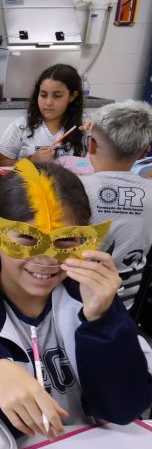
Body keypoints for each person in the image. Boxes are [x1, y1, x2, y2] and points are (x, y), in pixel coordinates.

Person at [0, 160, 152, 440]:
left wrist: (102, 322)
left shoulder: (91, 297)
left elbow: (124, 409)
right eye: (27, 238)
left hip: (94, 448)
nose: (47, 259)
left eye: (65, 241)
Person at [79, 100, 152, 308]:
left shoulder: (75, 190)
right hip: (128, 306)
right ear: (144, 153)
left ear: (91, 145)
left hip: (76, 300)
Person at [0, 64, 85, 166]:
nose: (48, 102)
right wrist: (31, 161)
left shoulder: (84, 127)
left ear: (72, 96)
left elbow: (97, 166)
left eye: (57, 96)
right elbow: (1, 162)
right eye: (43, 95)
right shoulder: (21, 125)